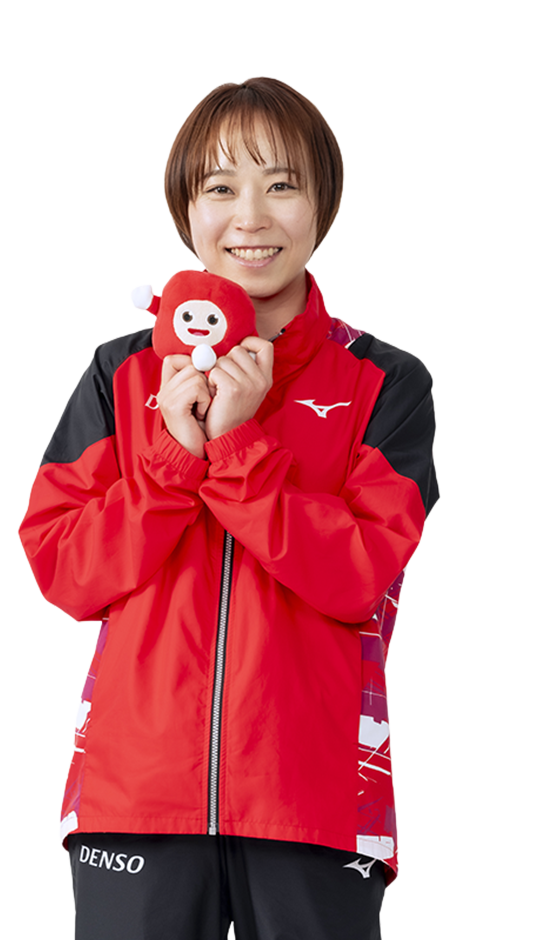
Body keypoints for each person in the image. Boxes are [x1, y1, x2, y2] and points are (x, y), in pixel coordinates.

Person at [19, 77, 439, 940]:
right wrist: (175, 457)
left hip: (317, 802)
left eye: (282, 184)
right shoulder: (121, 373)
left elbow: (359, 576)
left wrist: (239, 446)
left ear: (323, 203)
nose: (250, 217)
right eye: (220, 187)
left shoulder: (385, 382)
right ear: (187, 208)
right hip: (133, 798)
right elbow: (66, 571)